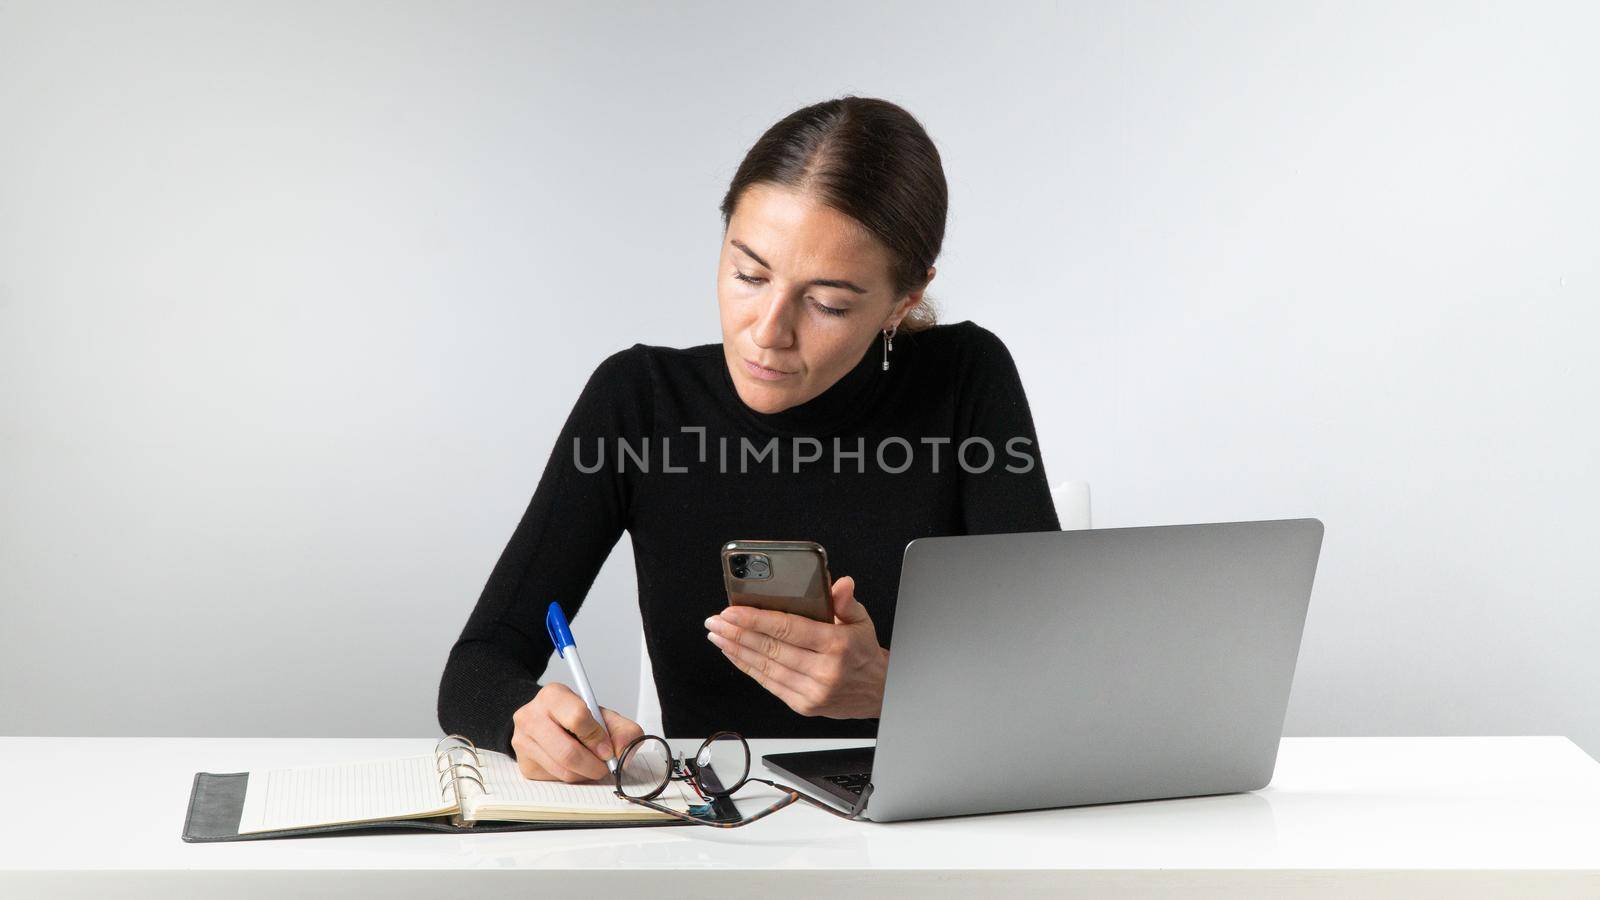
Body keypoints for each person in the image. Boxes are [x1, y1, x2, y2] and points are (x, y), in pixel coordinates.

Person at [437, 95, 1060, 784]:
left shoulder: (966, 378)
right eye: (749, 273)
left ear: (903, 301)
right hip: (716, 834)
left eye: (827, 303)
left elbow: (1060, 678)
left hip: (926, 830)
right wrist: (524, 719)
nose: (767, 330)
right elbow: (477, 666)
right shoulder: (639, 400)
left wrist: (892, 686)